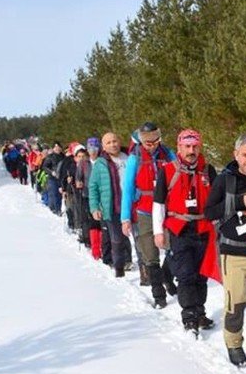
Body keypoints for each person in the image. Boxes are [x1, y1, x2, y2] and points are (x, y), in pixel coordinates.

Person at [204, 133, 246, 367]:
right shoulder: (225, 179)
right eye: (245, 155)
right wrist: (239, 202)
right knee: (236, 304)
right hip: (232, 252)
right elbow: (210, 212)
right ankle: (234, 344)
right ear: (236, 155)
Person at [152, 129, 219, 331]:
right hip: (179, 228)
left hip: (203, 228)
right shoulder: (168, 170)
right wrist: (158, 231)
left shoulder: (208, 170)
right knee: (186, 274)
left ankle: (200, 312)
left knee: (201, 274)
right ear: (179, 147)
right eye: (187, 146)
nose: (191, 150)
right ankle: (188, 315)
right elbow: (158, 203)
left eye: (195, 146)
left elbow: (217, 200)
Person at [121, 122, 177, 308]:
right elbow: (128, 189)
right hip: (144, 209)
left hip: (165, 208)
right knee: (149, 253)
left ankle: (167, 276)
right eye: (148, 143)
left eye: (155, 141)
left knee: (173, 247)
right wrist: (125, 218)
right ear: (141, 141)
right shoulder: (134, 158)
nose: (152, 146)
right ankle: (158, 294)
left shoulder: (167, 154)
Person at [89, 132, 132, 277]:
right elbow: (93, 186)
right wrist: (94, 207)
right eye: (108, 142)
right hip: (112, 206)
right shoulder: (100, 163)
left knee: (138, 238)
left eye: (114, 141)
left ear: (119, 141)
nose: (112, 144)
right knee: (117, 238)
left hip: (134, 204)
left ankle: (142, 270)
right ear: (103, 146)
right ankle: (119, 266)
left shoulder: (130, 157)